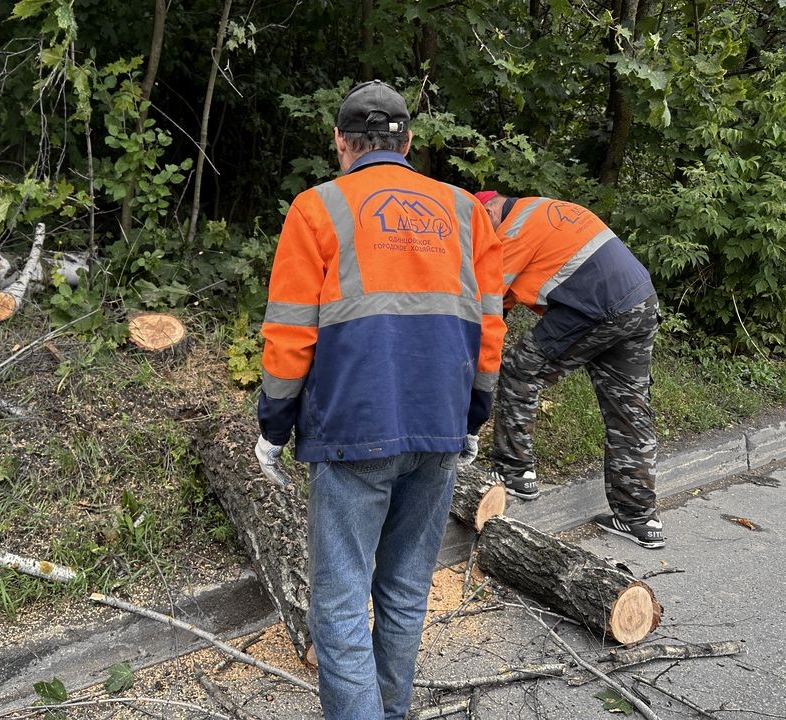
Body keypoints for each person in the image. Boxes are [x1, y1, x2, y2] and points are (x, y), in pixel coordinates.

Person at [254, 80, 506, 719]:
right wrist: (475, 415)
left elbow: (289, 330)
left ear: (340, 142)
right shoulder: (464, 212)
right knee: (405, 589)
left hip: (352, 430)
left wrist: (274, 426)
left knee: (339, 602)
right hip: (441, 427)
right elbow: (490, 326)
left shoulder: (316, 209)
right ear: (408, 142)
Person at [473, 190, 664, 549]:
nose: (479, 242)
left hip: (596, 306)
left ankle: (515, 472)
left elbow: (485, 305)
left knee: (521, 368)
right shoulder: (539, 211)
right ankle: (641, 518)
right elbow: (504, 304)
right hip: (640, 301)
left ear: (488, 211)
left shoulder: (513, 230)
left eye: (478, 229)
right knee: (629, 408)